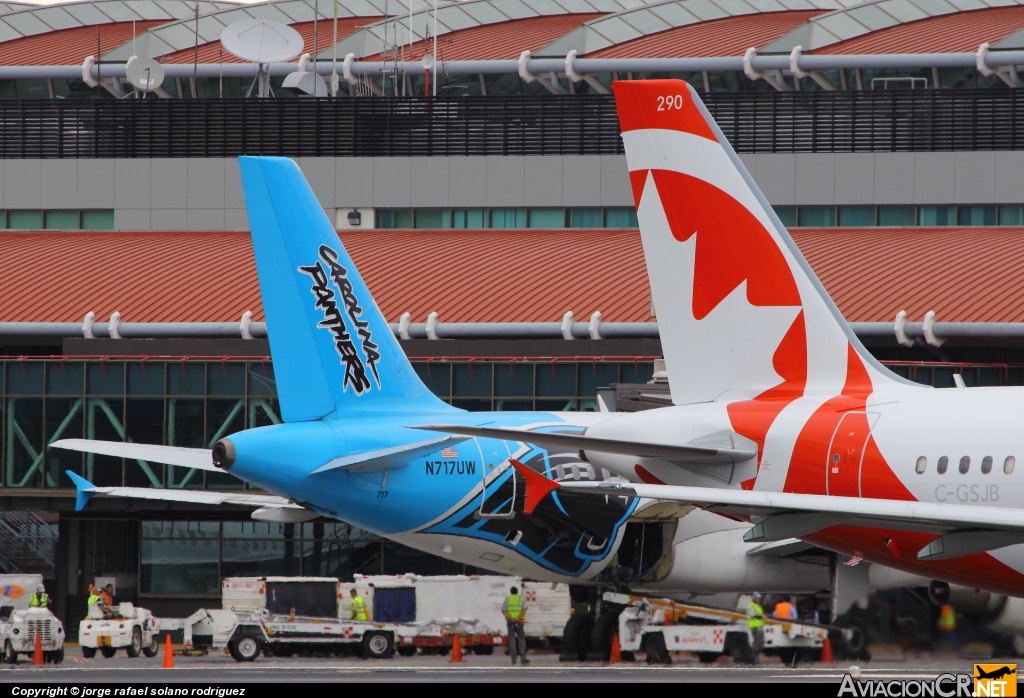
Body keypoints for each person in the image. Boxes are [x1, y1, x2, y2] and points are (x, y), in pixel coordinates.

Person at [502, 586, 529, 666]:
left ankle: (513, 659)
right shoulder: (521, 598)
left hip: (510, 622)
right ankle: (523, 658)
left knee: (512, 640)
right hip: (519, 622)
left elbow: (503, 610)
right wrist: (518, 618)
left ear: (511, 592)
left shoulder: (507, 599)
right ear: (517, 592)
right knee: (521, 639)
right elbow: (525, 609)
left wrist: (511, 618)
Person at [747, 592, 766, 665]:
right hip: (754, 626)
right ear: (754, 598)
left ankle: (755, 656)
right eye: (757, 598)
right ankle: (753, 658)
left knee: (761, 642)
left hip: (759, 626)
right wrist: (761, 617)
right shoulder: (751, 606)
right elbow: (752, 615)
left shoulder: (758, 606)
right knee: (757, 642)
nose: (759, 599)